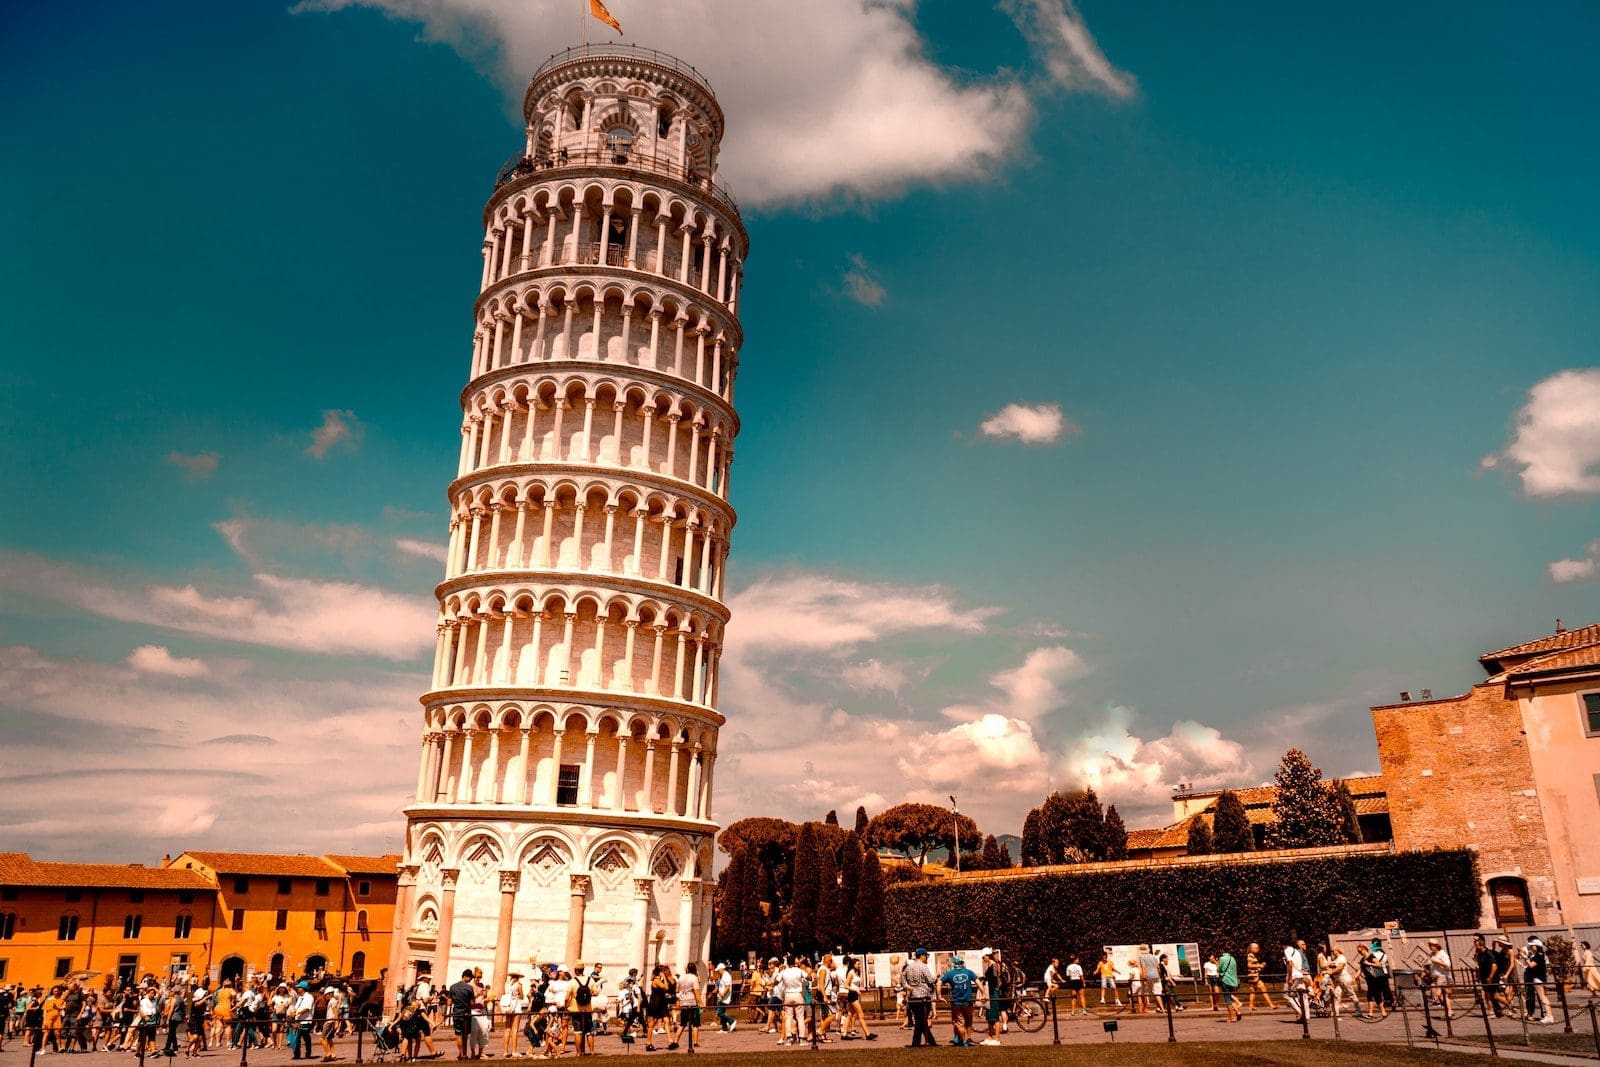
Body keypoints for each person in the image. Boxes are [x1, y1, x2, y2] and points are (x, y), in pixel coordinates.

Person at [937, 954, 978, 1047]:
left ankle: (963, 1040)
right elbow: (978, 982)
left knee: (958, 1021)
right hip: (968, 1000)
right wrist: (983, 993)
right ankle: (965, 1038)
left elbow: (939, 983)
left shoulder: (950, 973)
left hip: (956, 1001)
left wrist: (939, 996)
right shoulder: (968, 972)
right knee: (968, 1020)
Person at [900, 948, 937, 1048]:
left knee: (920, 1020)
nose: (927, 958)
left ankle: (927, 1041)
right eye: (926, 956)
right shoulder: (923, 967)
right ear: (922, 956)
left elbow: (902, 980)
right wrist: (937, 977)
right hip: (924, 997)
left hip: (913, 998)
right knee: (922, 1020)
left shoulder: (908, 967)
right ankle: (919, 1042)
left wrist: (908, 987)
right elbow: (930, 980)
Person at [774, 957, 807, 1046]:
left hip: (788, 994)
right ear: (794, 962)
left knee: (788, 1017)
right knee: (800, 1017)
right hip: (797, 994)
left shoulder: (784, 971)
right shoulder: (799, 970)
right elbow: (809, 977)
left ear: (787, 963)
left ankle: (789, 1038)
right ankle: (802, 1038)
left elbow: (776, 981)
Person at [1524, 936, 1556, 1024]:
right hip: (1539, 977)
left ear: (1537, 946)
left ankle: (1549, 1016)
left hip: (1538, 978)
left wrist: (1525, 958)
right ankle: (1548, 1015)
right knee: (1543, 997)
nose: (1531, 947)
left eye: (1532, 946)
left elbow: (1531, 965)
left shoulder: (1539, 955)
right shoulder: (1538, 955)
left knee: (1543, 997)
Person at [446, 969, 476, 1060]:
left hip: (457, 1013)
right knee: (465, 1034)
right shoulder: (469, 988)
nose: (471, 980)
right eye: (470, 978)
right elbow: (472, 1003)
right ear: (466, 976)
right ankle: (464, 1054)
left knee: (458, 1034)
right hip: (466, 1013)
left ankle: (460, 1053)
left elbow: (449, 1003)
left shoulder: (452, 987)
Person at [673, 962, 703, 1049]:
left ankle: (675, 1040)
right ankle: (695, 1042)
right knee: (695, 1023)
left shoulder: (681, 977)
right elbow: (696, 992)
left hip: (683, 1002)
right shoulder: (694, 978)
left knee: (682, 1024)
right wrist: (700, 1003)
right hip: (692, 1002)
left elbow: (677, 989)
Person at [1245, 942, 1275, 1011]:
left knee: (1253, 991)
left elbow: (1253, 965)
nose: (1257, 949)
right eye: (1255, 948)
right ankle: (1271, 1005)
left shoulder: (1253, 956)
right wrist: (1260, 965)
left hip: (1253, 975)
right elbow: (1249, 965)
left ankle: (1251, 1006)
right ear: (1251, 949)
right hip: (1253, 976)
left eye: (1257, 948)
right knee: (1263, 989)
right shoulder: (1250, 956)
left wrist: (1260, 965)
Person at [1217, 948, 1242, 1023]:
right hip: (1234, 981)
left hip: (1226, 980)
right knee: (1231, 998)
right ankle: (1237, 1012)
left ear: (1222, 951)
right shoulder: (1233, 958)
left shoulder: (1222, 959)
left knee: (1227, 1000)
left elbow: (1219, 969)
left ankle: (1232, 1017)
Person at [713, 963, 737, 1033]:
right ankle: (724, 1028)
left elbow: (727, 987)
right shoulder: (724, 975)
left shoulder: (726, 976)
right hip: (722, 996)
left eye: (718, 970)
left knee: (719, 1012)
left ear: (721, 969)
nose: (718, 971)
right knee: (722, 1012)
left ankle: (732, 1021)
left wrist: (722, 994)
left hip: (724, 997)